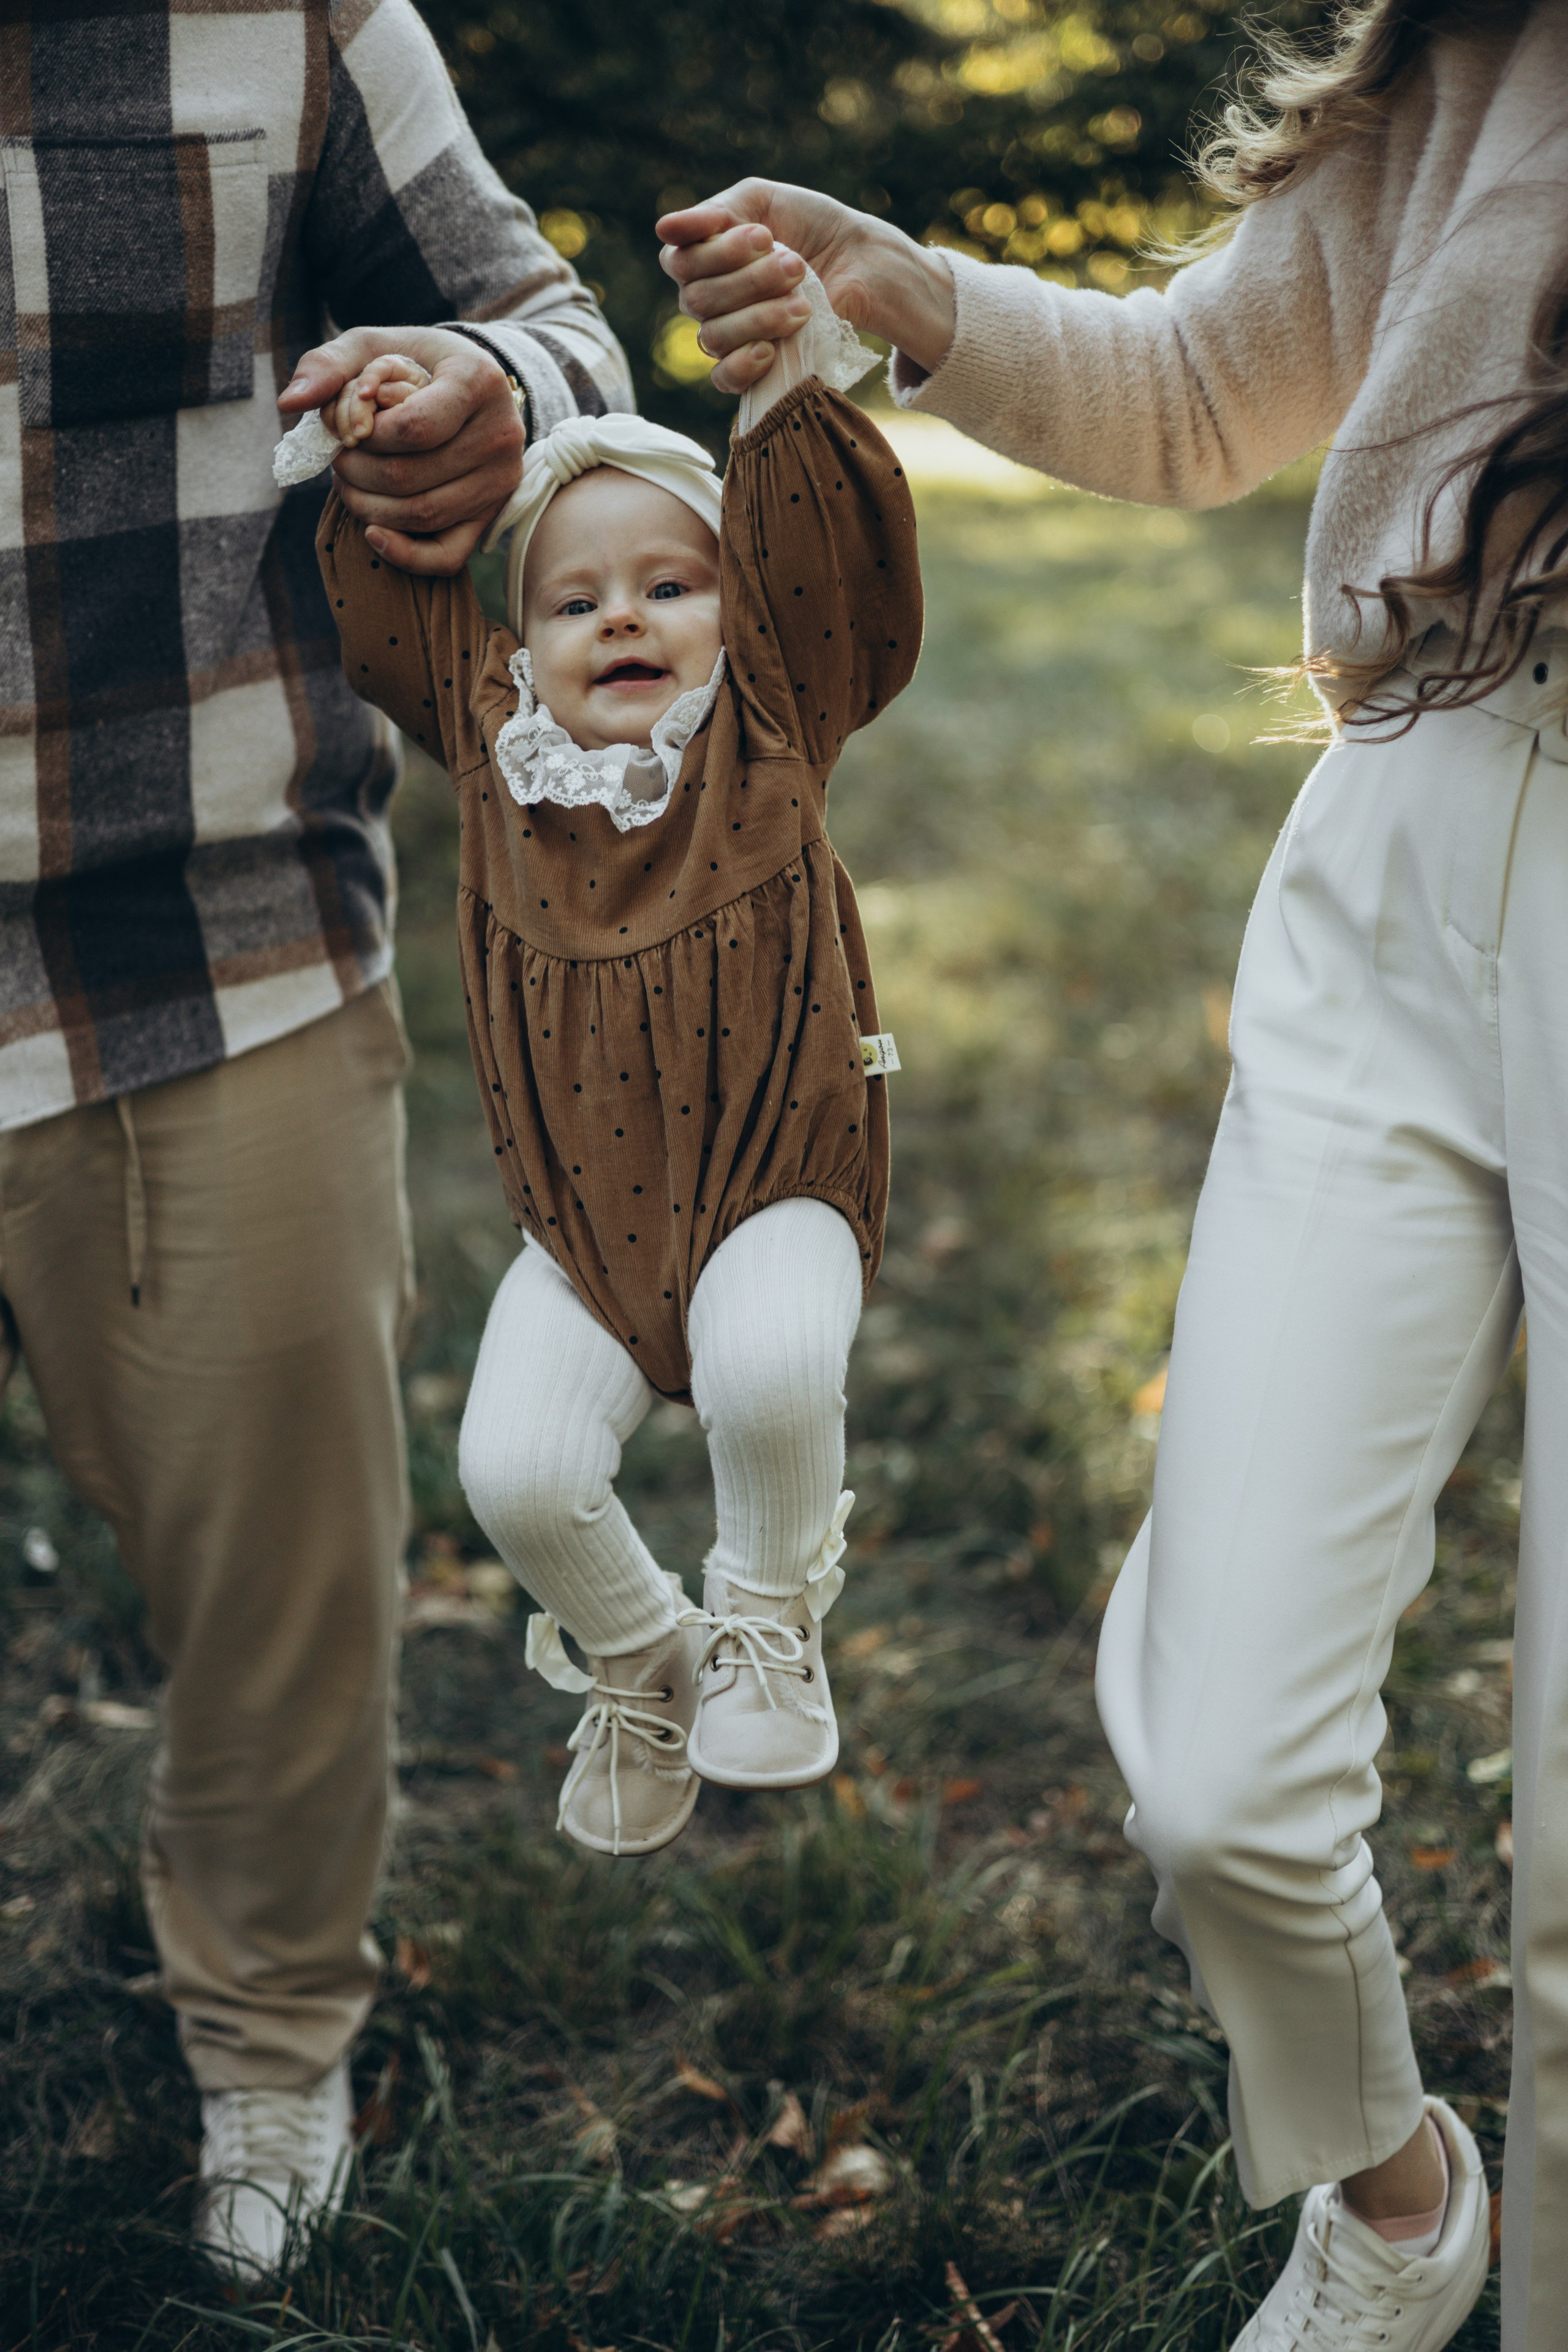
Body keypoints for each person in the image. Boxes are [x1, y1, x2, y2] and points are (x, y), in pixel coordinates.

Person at [659, 3, 1566, 2346]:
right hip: (1412, 838)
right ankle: (1391, 2197)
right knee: (1226, 1772)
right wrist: (904, 290)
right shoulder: (1482, 42)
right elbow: (1199, 396)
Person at [0, 0, 630, 2283]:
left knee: (285, 1575)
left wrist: (495, 410)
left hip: (206, 926)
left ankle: (271, 2036)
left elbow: (557, 336)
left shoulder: (301, 20)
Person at [300, 281, 918, 1858]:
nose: (622, 618)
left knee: (771, 1374)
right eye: (574, 604)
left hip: (772, 1179)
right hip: (584, 1229)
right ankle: (648, 1657)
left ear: (738, 611)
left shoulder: (767, 731)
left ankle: (765, 1619)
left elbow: (826, 576)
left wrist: (783, 400)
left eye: (670, 585)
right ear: (519, 649)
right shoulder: (499, 752)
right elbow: (393, 609)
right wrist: (381, 443)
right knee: (513, 1471)